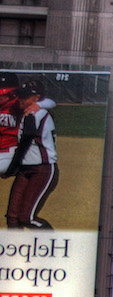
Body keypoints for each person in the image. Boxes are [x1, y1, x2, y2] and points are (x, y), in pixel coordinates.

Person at [4, 81, 57, 230]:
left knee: (27, 218)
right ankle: (14, 249)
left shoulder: (35, 114)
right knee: (12, 217)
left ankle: (52, 242)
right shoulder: (29, 110)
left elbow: (25, 142)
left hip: (43, 170)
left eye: (25, 97)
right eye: (20, 95)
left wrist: (11, 170)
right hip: (25, 170)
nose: (21, 99)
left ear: (36, 98)